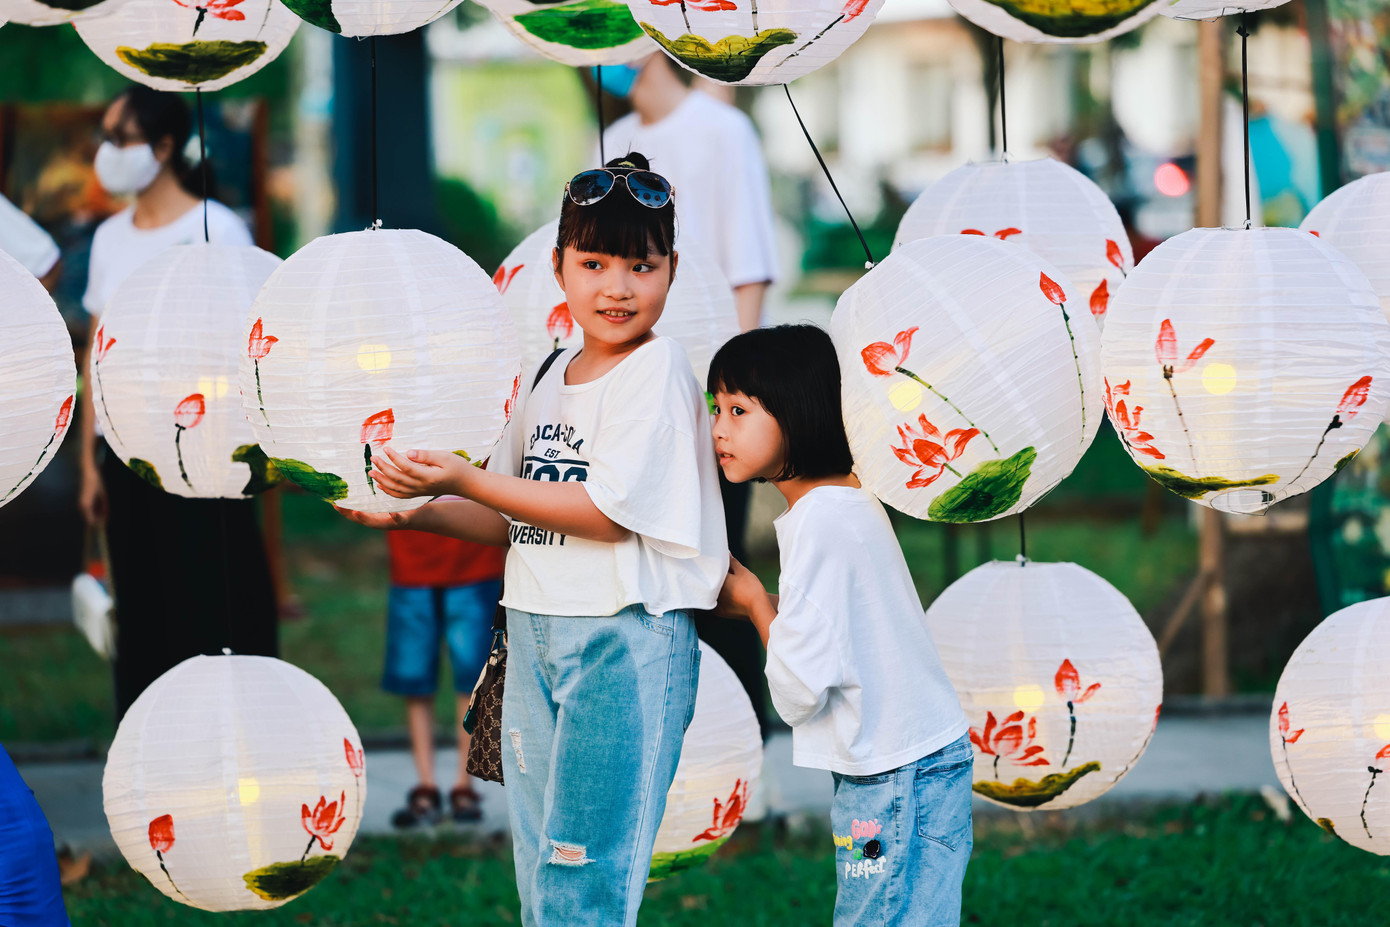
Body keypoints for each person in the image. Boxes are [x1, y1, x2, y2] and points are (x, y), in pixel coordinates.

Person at [337, 153, 727, 927]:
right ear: (557, 267)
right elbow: (508, 517)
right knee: (542, 867)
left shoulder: (659, 368)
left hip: (624, 638)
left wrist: (467, 478)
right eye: (594, 263)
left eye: (640, 265)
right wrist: (419, 508)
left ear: (671, 270)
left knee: (584, 875)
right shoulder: (548, 372)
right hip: (536, 632)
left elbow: (606, 512)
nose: (617, 286)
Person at [710, 325, 973, 927]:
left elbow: (801, 690)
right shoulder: (847, 502)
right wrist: (767, 602)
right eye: (716, 409)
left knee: (869, 917)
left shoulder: (818, 525)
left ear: (798, 413)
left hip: (889, 784)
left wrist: (754, 602)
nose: (720, 428)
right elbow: (837, 626)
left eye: (740, 410)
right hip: (921, 762)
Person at [77, 85, 278, 717]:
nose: (106, 151)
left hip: (207, 458)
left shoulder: (217, 228)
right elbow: (97, 351)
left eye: (120, 136)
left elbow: (247, 341)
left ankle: (239, 736)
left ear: (163, 147)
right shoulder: (109, 237)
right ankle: (150, 752)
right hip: (125, 456)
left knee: (217, 603)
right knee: (142, 613)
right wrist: (89, 462)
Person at [600, 52, 779, 734]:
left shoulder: (722, 130)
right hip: (635, 391)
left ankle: (747, 750)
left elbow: (748, 263)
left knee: (714, 568)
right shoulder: (614, 143)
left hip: (706, 392)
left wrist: (731, 401)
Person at [384, 528, 504, 827]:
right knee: (415, 680)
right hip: (411, 563)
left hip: (475, 558)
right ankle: (427, 786)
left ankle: (463, 785)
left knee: (473, 680)